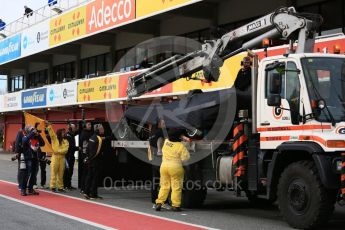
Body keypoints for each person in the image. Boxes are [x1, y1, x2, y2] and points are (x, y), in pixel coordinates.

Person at [155, 129, 190, 212]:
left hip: (164, 166)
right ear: (179, 137)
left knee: (164, 186)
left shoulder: (166, 142)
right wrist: (186, 143)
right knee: (176, 187)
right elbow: (186, 158)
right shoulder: (180, 146)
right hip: (175, 167)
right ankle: (176, 205)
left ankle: (159, 202)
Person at [20, 125, 45, 196]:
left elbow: (43, 143)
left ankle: (30, 189)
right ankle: (23, 189)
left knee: (34, 175)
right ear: (28, 131)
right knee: (27, 174)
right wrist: (32, 133)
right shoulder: (25, 137)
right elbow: (25, 141)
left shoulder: (36, 137)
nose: (33, 131)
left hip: (35, 158)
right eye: (31, 130)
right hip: (28, 158)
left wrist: (38, 135)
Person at [84, 124, 106, 199]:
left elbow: (87, 148)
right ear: (98, 130)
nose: (103, 130)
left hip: (90, 161)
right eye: (102, 129)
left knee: (89, 176)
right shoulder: (98, 139)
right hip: (95, 161)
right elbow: (96, 152)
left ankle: (86, 192)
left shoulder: (92, 137)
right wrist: (90, 158)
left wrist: (87, 158)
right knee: (95, 178)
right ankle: (93, 194)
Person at [46, 122, 69, 192]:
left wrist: (57, 151)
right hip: (55, 158)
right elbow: (51, 132)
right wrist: (49, 125)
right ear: (59, 133)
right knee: (54, 172)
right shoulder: (54, 139)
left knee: (61, 173)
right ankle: (52, 186)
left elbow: (65, 150)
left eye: (64, 132)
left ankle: (60, 187)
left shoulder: (66, 141)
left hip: (62, 158)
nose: (64, 134)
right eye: (63, 133)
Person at [63, 123, 79, 190]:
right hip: (68, 156)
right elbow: (70, 147)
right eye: (74, 127)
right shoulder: (68, 136)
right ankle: (66, 185)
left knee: (70, 170)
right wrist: (78, 148)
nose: (75, 129)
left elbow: (76, 132)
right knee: (68, 171)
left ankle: (68, 184)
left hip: (70, 155)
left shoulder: (71, 134)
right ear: (70, 128)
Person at [79, 121, 93, 194]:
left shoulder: (89, 133)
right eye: (88, 124)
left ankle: (85, 187)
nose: (90, 125)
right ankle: (83, 188)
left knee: (87, 172)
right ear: (85, 125)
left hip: (86, 155)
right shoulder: (84, 134)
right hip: (85, 155)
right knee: (86, 172)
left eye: (90, 124)